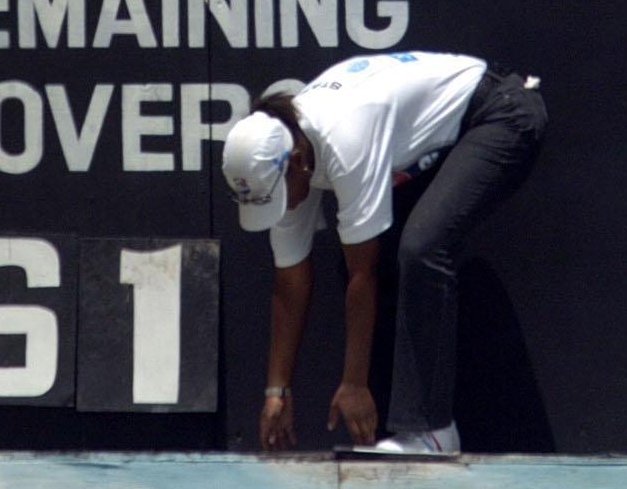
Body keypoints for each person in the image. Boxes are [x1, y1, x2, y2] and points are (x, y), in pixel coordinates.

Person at [221, 51, 546, 456]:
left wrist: (354, 384)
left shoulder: (344, 136)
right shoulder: (285, 150)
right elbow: (291, 280)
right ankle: (399, 430)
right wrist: (276, 390)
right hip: (440, 138)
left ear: (299, 164)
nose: (281, 208)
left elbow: (363, 273)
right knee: (389, 251)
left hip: (502, 113)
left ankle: (431, 432)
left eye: (278, 198)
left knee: (421, 247)